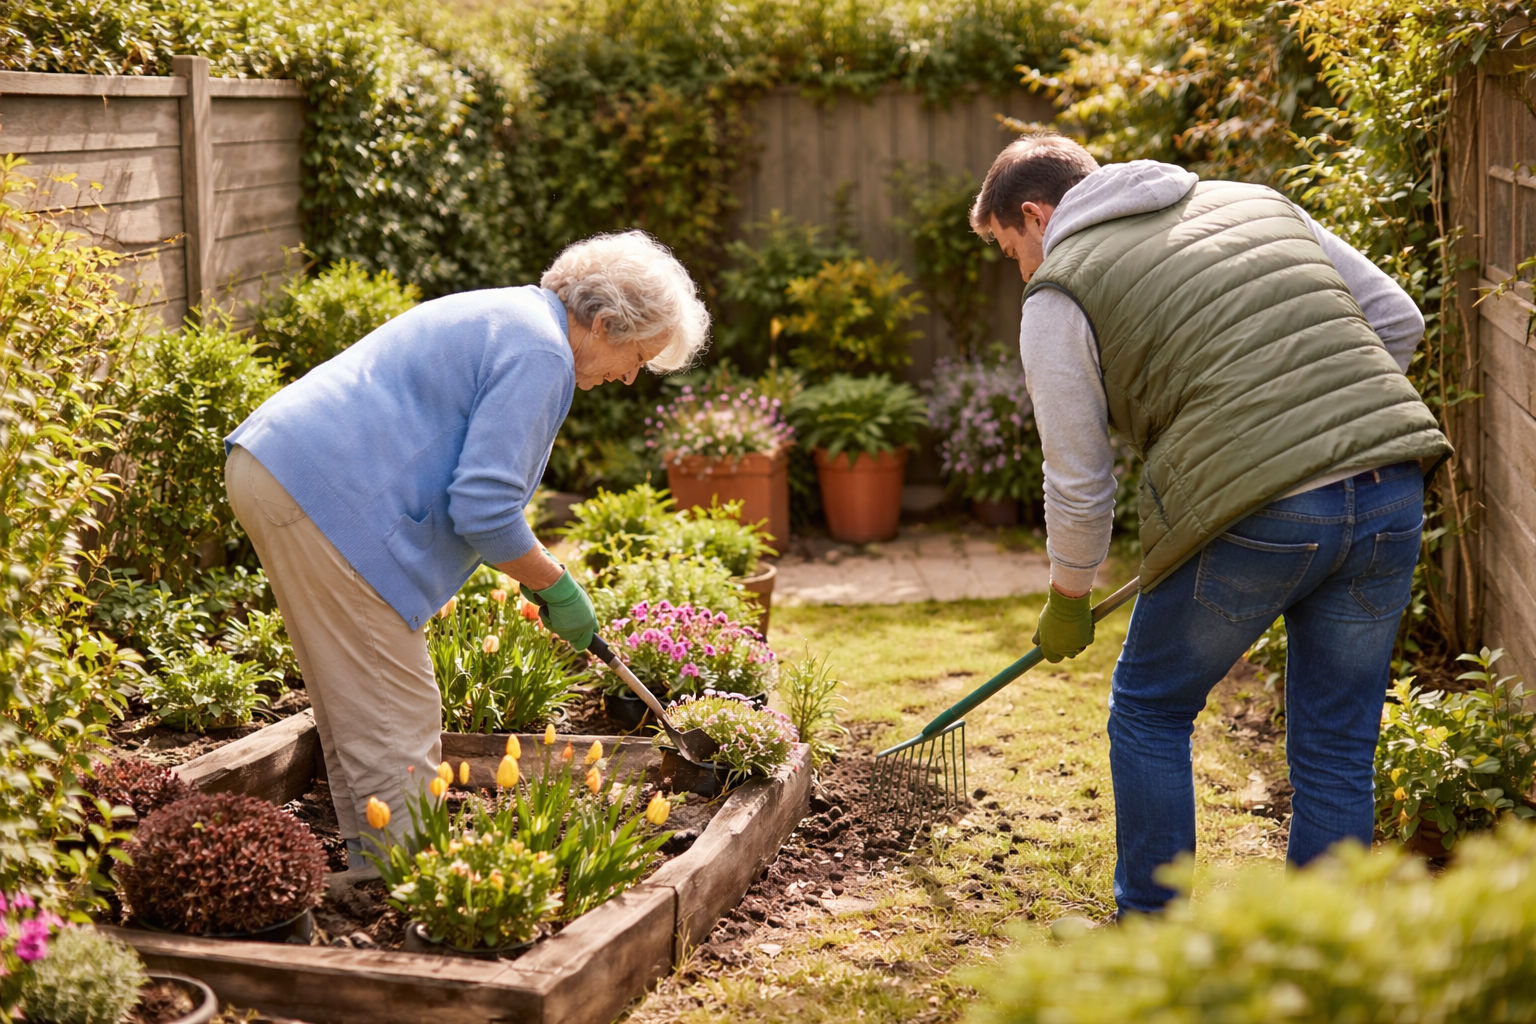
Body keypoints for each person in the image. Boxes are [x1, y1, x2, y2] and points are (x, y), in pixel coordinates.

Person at [968, 133, 1452, 916]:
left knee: (1152, 709)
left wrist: (1067, 594)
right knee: (1337, 742)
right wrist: (1325, 430)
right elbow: (1396, 318)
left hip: (1257, 516)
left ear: (1036, 213)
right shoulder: (1256, 200)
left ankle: (1158, 942)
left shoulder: (1061, 289)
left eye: (1008, 248)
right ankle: (1324, 959)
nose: (1019, 268)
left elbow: (1080, 479)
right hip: (1391, 489)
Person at [225, 230, 709, 868]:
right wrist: (556, 586)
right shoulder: (541, 351)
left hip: (282, 472)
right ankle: (408, 891)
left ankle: (376, 872)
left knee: (361, 698)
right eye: (638, 357)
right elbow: (484, 507)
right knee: (397, 708)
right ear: (602, 323)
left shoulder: (509, 316)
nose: (627, 378)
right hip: (320, 495)